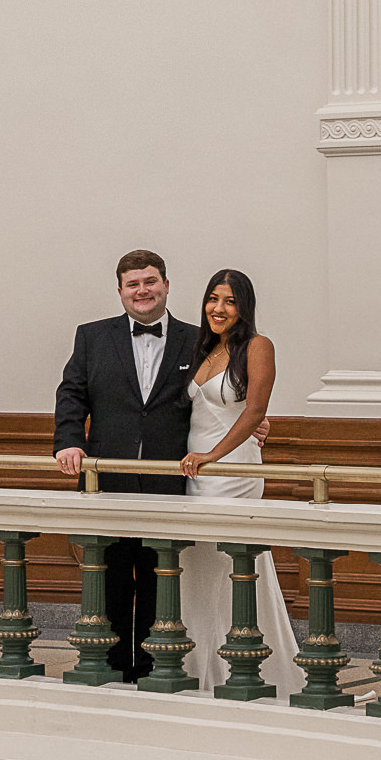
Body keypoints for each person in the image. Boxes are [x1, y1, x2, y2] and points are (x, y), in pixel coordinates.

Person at [53, 249, 203, 682]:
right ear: (120, 291)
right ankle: (113, 668)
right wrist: (68, 443)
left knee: (162, 580)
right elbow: (72, 394)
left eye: (150, 281)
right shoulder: (92, 336)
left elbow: (216, 396)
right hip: (107, 479)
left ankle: (158, 669)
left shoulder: (196, 340)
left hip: (169, 481)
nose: (143, 290)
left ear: (167, 285)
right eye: (133, 284)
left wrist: (254, 421)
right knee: (111, 579)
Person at [176, 269, 305, 697]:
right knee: (199, 564)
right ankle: (201, 666)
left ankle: (248, 666)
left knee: (232, 563)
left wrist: (216, 455)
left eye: (230, 301)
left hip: (232, 471)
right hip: (196, 473)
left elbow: (254, 410)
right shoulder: (205, 348)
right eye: (213, 299)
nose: (219, 308)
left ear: (244, 307)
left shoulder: (257, 346)